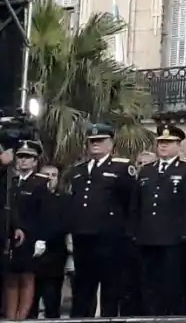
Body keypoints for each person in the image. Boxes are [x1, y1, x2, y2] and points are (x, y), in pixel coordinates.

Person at [69, 122, 136, 317]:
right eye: (92, 141)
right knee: (83, 286)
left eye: (100, 140)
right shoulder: (79, 170)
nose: (95, 144)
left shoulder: (121, 168)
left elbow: (130, 202)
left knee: (110, 285)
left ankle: (108, 318)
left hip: (109, 236)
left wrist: (127, 232)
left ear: (111, 143)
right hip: (83, 234)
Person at [130, 124, 186, 316]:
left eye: (168, 142)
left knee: (172, 282)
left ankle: (173, 316)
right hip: (147, 236)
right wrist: (133, 231)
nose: (163, 146)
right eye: (161, 142)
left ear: (178, 145)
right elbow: (137, 204)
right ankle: (152, 314)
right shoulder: (147, 171)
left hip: (172, 237)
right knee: (149, 282)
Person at [4, 141, 50, 320]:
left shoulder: (40, 183)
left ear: (35, 161)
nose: (23, 161)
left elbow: (45, 213)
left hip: (31, 236)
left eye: (28, 157)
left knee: (27, 277)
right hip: (10, 236)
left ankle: (22, 317)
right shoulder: (11, 182)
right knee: (10, 278)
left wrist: (41, 239)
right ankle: (10, 317)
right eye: (20, 157)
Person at [29, 164, 69, 319]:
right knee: (31, 301)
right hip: (32, 255)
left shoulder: (64, 198)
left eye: (54, 175)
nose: (50, 178)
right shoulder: (32, 196)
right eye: (46, 175)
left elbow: (64, 223)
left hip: (54, 255)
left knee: (52, 300)